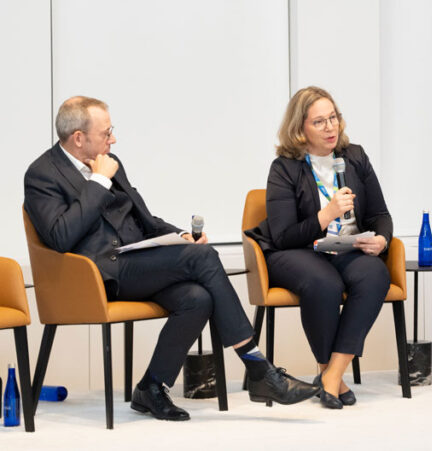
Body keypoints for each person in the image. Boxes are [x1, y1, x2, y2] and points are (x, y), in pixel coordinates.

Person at [23, 96, 319, 422]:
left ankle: (151, 387)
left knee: (197, 297)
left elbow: (143, 219)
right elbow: (60, 236)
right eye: (106, 133)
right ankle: (258, 368)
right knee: (202, 258)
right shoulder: (42, 174)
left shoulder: (110, 161)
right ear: (79, 138)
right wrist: (99, 181)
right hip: (96, 275)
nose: (113, 139)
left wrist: (179, 235)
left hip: (136, 263)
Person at [246, 87, 391, 410]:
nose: (330, 127)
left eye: (333, 118)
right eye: (319, 122)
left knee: (375, 275)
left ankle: (332, 374)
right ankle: (332, 376)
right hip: (296, 251)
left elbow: (380, 214)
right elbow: (284, 235)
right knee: (324, 283)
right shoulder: (284, 168)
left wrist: (382, 239)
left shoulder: (355, 156)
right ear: (300, 129)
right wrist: (327, 215)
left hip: (346, 247)